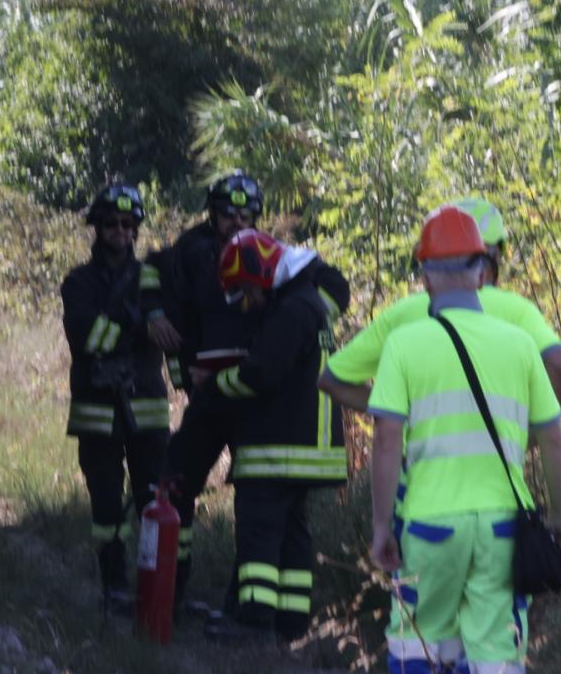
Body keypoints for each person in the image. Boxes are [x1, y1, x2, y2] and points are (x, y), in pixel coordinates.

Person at [367, 206, 561, 674]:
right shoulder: (520, 344)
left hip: (430, 525)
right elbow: (552, 440)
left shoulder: (404, 344)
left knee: (418, 638)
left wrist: (380, 527)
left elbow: (387, 441)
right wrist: (560, 518)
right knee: (495, 648)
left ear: (425, 277)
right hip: (505, 527)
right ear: (481, 272)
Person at [192, 229, 348, 643]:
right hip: (305, 451)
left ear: (263, 275)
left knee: (259, 536)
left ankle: (252, 622)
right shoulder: (308, 302)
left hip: (277, 450)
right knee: (294, 538)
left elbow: (261, 375)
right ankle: (291, 623)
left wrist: (214, 383)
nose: (247, 303)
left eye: (246, 291)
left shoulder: (293, 309)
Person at [320, 195, 561, 413]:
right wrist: (534, 428)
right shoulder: (518, 311)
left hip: (418, 469)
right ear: (496, 255)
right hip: (496, 468)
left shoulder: (403, 313)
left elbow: (333, 380)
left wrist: (398, 412)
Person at [139, 170, 265, 606]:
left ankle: (244, 603)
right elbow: (150, 271)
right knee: (174, 482)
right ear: (213, 213)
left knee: (256, 499)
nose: (237, 221)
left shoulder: (264, 255)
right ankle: (170, 586)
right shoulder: (189, 250)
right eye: (228, 213)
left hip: (252, 395)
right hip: (206, 395)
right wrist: (154, 313)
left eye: (246, 214)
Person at [60, 183, 170, 615]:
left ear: (137, 230)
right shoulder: (78, 282)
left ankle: (159, 589)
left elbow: (168, 330)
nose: (120, 231)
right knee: (105, 504)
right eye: (112, 224)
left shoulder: (153, 279)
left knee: (152, 501)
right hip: (97, 411)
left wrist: (129, 324)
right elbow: (86, 338)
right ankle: (114, 584)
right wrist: (137, 322)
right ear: (97, 228)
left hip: (146, 410)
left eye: (128, 224)